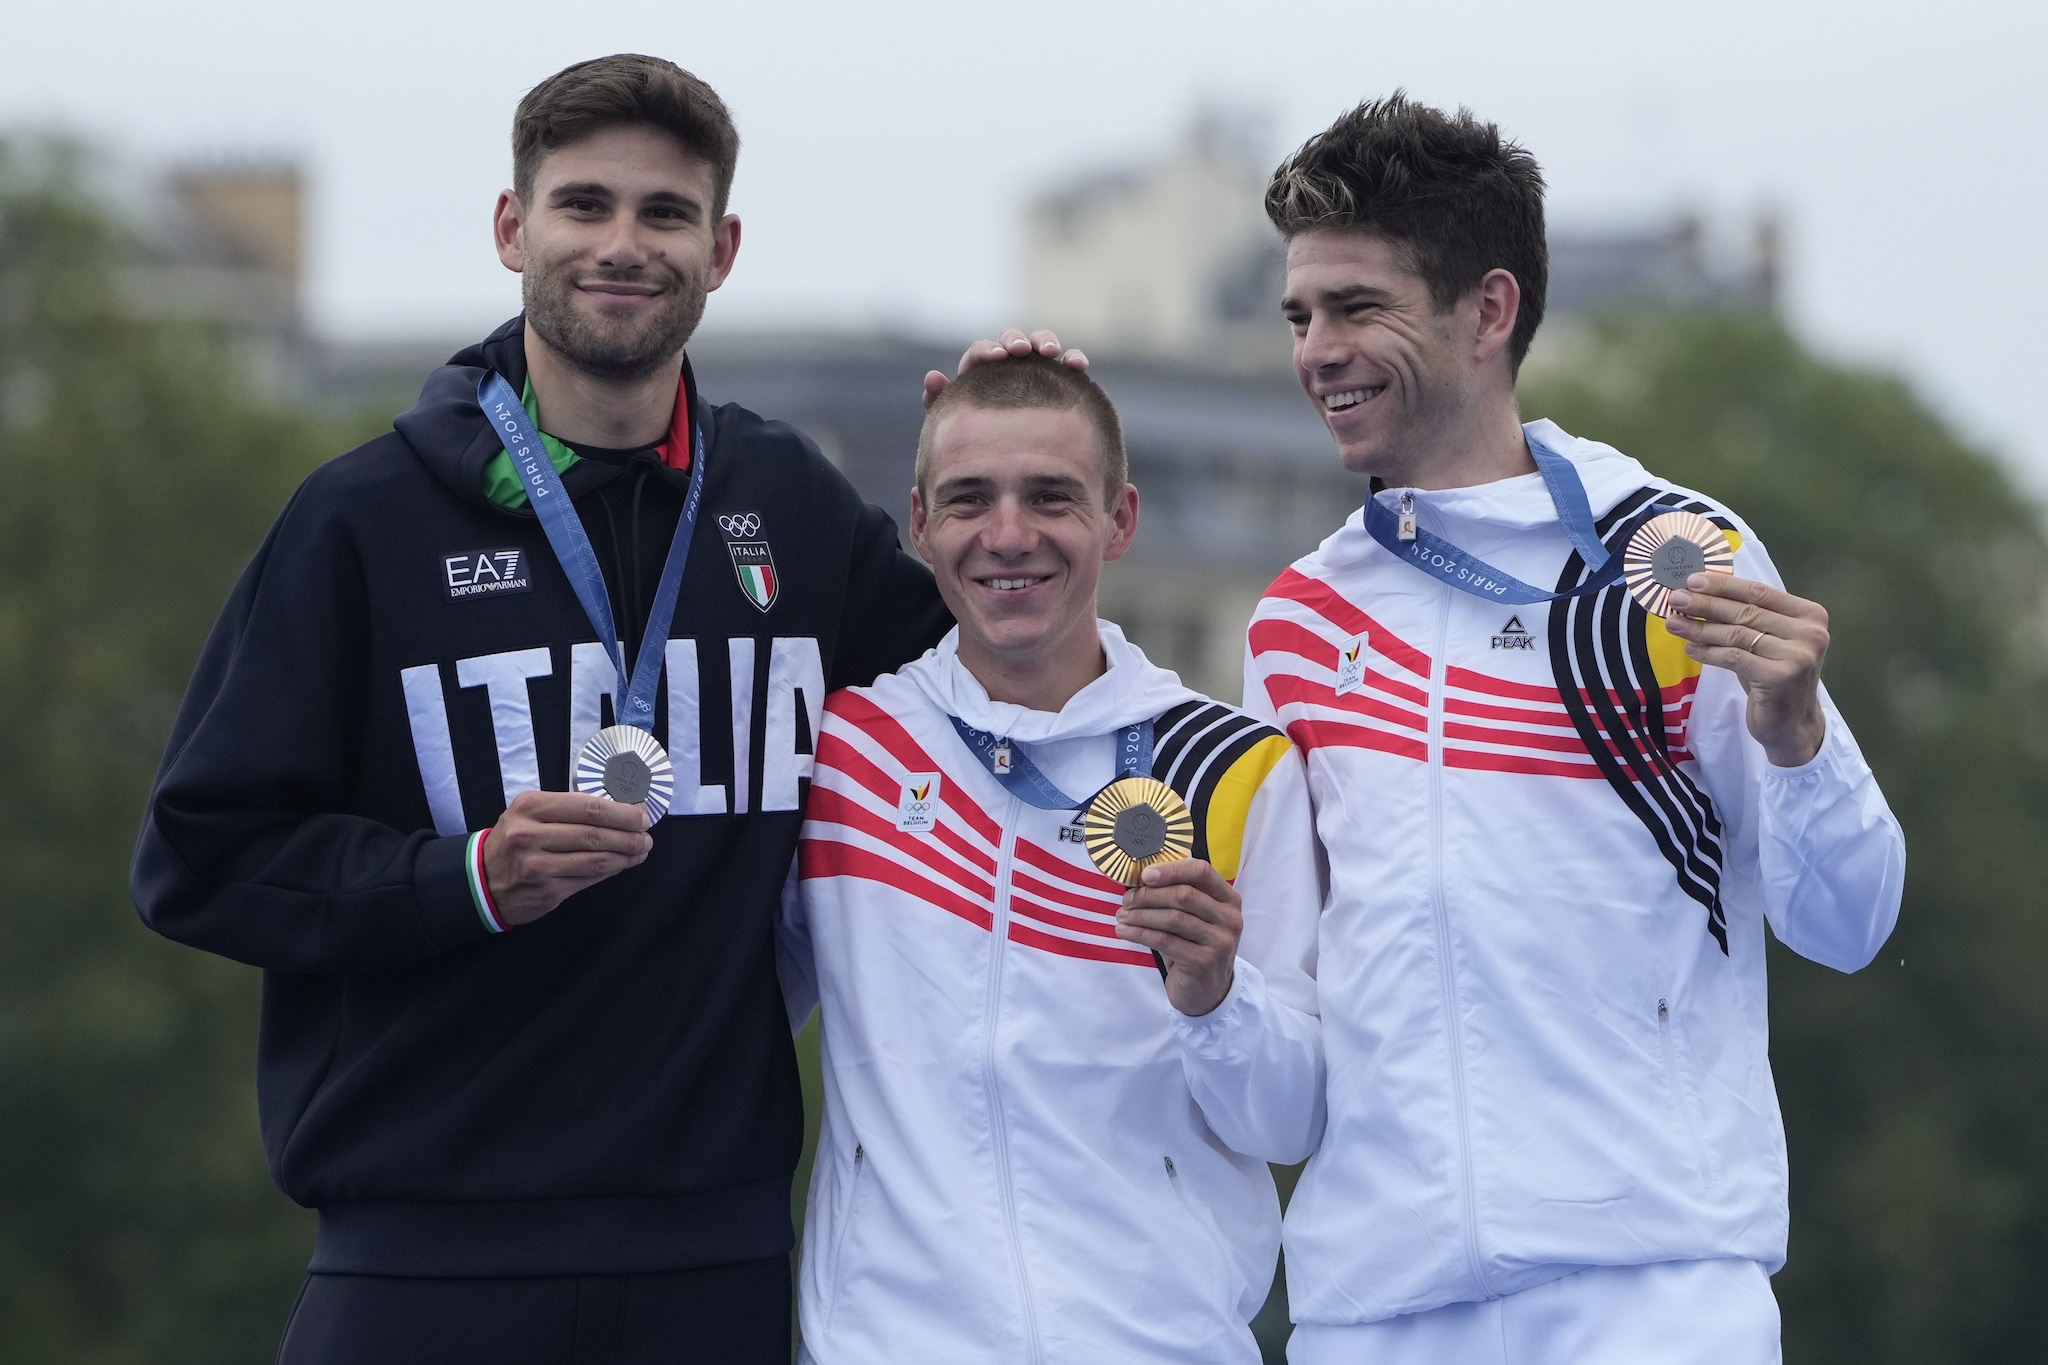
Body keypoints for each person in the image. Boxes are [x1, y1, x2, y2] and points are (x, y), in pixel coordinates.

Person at [129, 54, 948, 1364]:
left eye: (665, 214)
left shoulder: (789, 506)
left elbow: (1000, 700)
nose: (622, 245)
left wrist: (1032, 446)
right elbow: (199, 861)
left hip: (716, 1260)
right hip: (423, 1262)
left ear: (721, 249)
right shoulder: (363, 522)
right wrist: (466, 877)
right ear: (515, 229)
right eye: (584, 205)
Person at [1235, 95, 1906, 1363]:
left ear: (1488, 312)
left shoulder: (1670, 556)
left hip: (1648, 1291)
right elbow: (1297, 1015)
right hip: (1372, 1305)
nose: (1315, 349)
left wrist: (1798, 731)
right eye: (1299, 315)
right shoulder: (1296, 621)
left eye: (1356, 308)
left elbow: (1849, 922)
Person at [777, 354, 1326, 1363]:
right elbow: (733, 1010)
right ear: (918, 524)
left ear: (1118, 519)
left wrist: (1213, 997)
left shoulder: (1233, 769)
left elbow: (1287, 1120)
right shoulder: (843, 750)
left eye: (1050, 497)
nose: (1008, 535)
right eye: (969, 499)